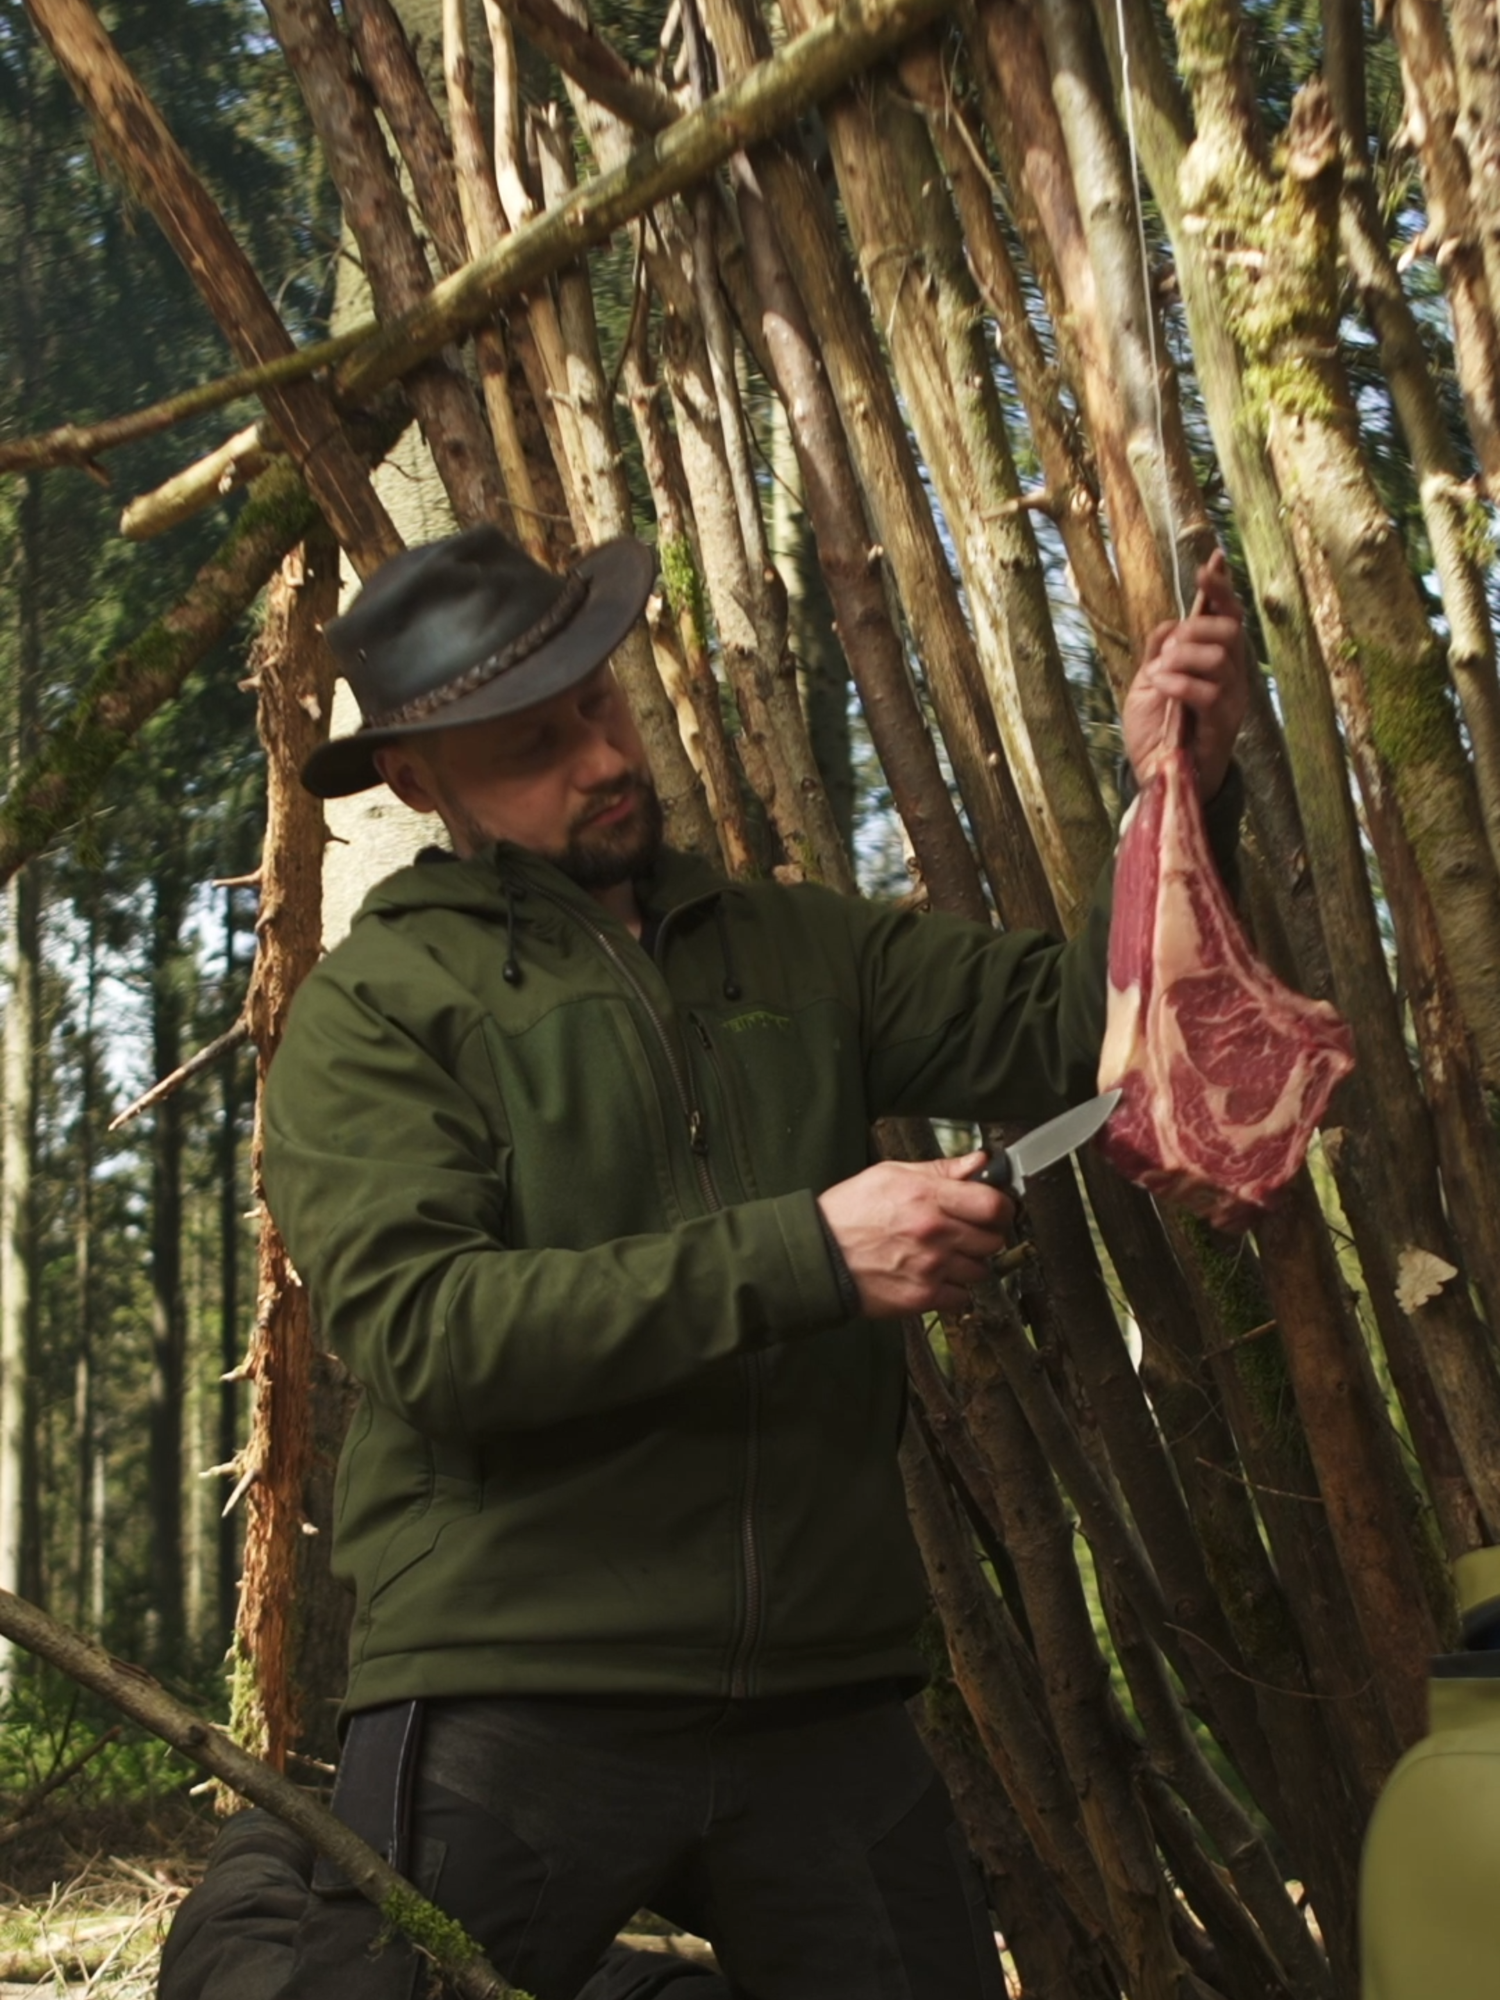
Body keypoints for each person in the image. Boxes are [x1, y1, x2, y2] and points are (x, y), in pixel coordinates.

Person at [161, 523, 1248, 2000]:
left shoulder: (802, 949)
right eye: (533, 744)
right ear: (422, 784)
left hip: (820, 1693)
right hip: (518, 1680)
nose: (601, 757)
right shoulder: (381, 1007)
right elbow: (430, 1336)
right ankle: (249, 1907)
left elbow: (1089, 1023)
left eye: (598, 705)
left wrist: (1179, 792)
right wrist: (810, 1250)